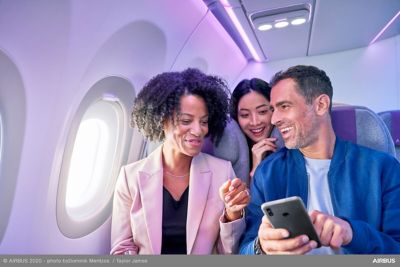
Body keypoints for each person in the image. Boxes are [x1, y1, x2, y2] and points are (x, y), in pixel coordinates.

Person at [239, 65, 400, 254]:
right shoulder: (267, 173)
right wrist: (261, 247)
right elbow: (244, 250)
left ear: (321, 105)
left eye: (284, 106)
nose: (274, 119)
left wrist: (353, 234)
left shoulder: (383, 169)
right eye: (273, 109)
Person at [110, 68, 250, 255]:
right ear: (161, 120)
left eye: (204, 121)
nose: (198, 130)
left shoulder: (222, 172)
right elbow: (122, 248)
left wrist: (233, 214)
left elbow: (228, 252)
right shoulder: (130, 177)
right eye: (186, 121)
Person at [230, 78, 277, 179]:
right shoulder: (233, 156)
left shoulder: (287, 147)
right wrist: (256, 169)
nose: (255, 122)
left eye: (262, 112)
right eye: (245, 115)